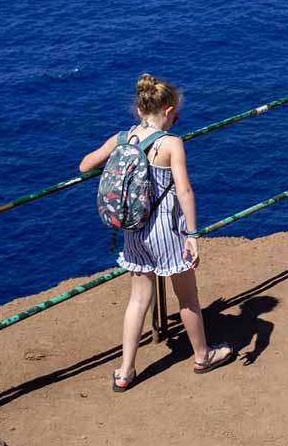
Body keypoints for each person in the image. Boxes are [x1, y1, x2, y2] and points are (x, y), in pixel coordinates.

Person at [79, 74, 233, 391]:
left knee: (138, 300)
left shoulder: (121, 139)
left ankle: (125, 371)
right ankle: (203, 356)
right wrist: (192, 234)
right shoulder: (171, 144)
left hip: (134, 229)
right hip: (167, 229)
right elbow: (185, 190)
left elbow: (85, 166)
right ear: (168, 111)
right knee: (188, 297)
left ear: (138, 110)